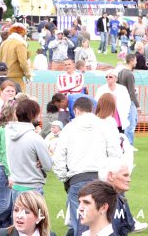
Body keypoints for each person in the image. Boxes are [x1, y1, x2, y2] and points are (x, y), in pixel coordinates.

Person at [53, 97, 121, 235]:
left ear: (76, 111)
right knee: (104, 225)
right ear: (92, 110)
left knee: (80, 225)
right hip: (99, 178)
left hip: (78, 179)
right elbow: (115, 154)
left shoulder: (68, 129)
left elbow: (59, 156)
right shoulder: (104, 126)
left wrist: (64, 178)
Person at [7, 99, 52, 202]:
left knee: (18, 217)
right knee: (36, 218)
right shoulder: (35, 138)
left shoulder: (9, 134)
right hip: (33, 188)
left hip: (16, 186)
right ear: (34, 115)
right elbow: (48, 165)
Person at [98, 158, 148, 235]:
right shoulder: (106, 202)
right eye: (125, 175)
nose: (129, 180)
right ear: (111, 176)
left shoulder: (114, 198)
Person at [0, 23, 31, 91]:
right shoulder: (20, 44)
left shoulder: (4, 43)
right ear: (22, 33)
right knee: (19, 97)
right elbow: (23, 62)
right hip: (16, 76)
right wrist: (28, 74)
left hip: (3, 76)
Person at [95, 69, 131, 133]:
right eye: (107, 77)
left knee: (119, 135)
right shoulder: (101, 89)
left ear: (115, 79)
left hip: (119, 116)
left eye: (110, 77)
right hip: (105, 116)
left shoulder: (122, 89)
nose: (108, 78)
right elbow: (96, 102)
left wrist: (125, 114)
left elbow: (127, 102)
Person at [117, 54, 139, 146]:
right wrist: (137, 105)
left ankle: (124, 143)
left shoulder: (121, 71)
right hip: (129, 102)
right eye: (135, 60)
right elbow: (131, 92)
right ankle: (129, 144)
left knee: (127, 123)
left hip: (122, 101)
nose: (136, 62)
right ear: (131, 61)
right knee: (131, 124)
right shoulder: (129, 74)